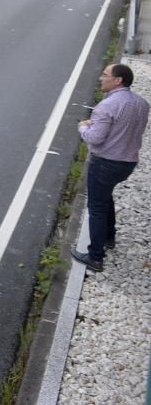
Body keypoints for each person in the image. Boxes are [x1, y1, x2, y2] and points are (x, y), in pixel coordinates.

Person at [71, 64, 149, 272]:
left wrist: (83, 126)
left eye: (105, 75)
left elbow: (95, 139)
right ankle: (109, 236)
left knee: (96, 207)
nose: (100, 78)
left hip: (105, 162)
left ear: (118, 80)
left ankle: (95, 257)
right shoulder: (142, 103)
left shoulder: (106, 106)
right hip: (128, 162)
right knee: (106, 197)